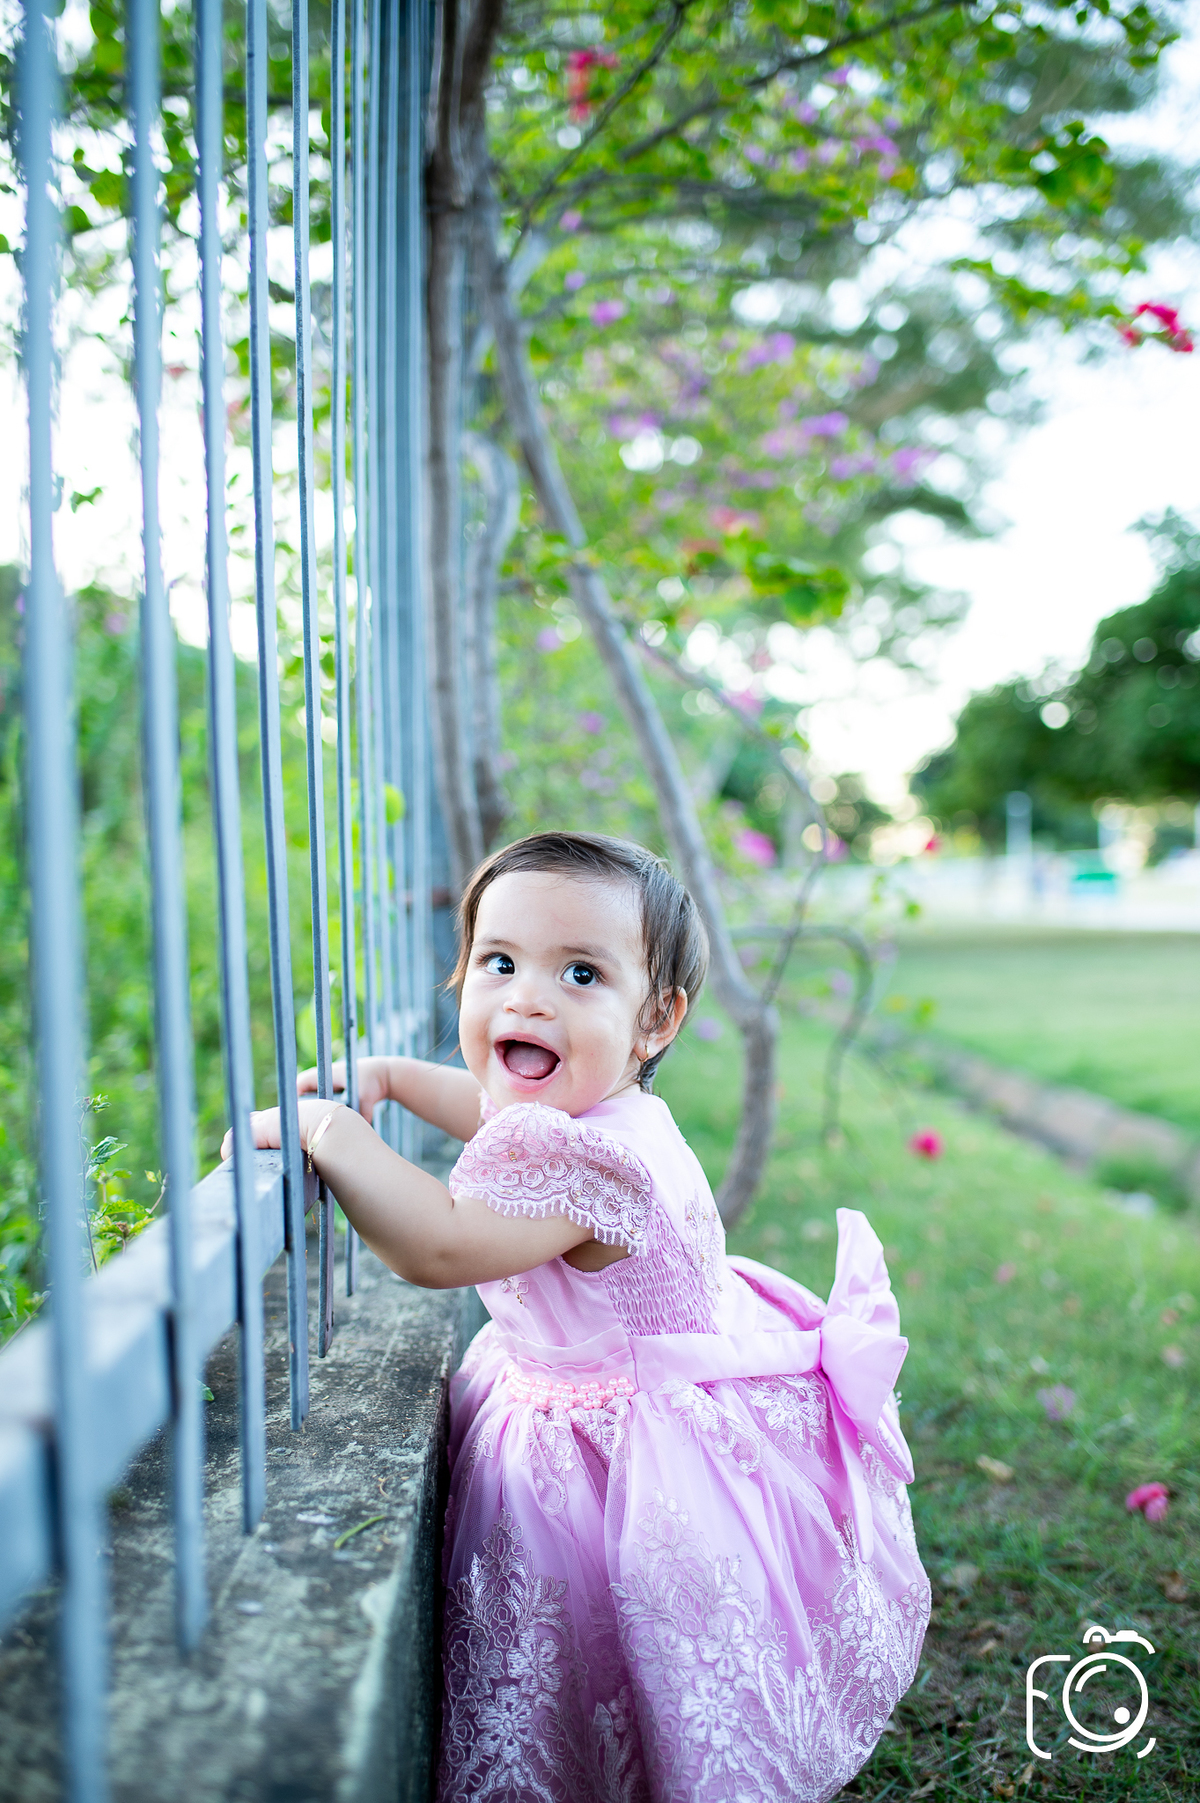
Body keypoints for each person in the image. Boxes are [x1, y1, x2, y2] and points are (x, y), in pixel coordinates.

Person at [228, 831, 929, 1802]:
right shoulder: (605, 1107)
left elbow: (437, 1242)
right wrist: (389, 1076)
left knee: (604, 1647)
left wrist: (331, 1127)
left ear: (656, 1020)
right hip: (635, 1396)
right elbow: (493, 1111)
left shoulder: (594, 1167)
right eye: (499, 962)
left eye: (581, 973)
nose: (527, 997)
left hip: (619, 1457)